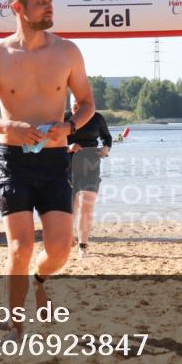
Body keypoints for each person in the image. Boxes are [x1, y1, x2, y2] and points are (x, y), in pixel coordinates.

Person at [0, 0, 95, 337]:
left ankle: (40, 280)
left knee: (60, 251)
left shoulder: (67, 51)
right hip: (14, 161)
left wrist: (68, 127)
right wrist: (10, 127)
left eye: (51, 0)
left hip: (55, 162)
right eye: (42, 2)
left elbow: (87, 104)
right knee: (20, 247)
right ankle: (15, 321)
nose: (50, 6)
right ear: (18, 8)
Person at [65, 98, 112, 259]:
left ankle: (82, 246)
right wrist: (68, 147)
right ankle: (68, 237)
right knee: (70, 207)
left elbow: (107, 137)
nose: (76, 111)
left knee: (86, 205)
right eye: (74, 107)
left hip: (91, 164)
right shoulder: (64, 118)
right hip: (67, 166)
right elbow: (51, 141)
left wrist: (106, 148)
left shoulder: (97, 118)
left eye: (80, 107)